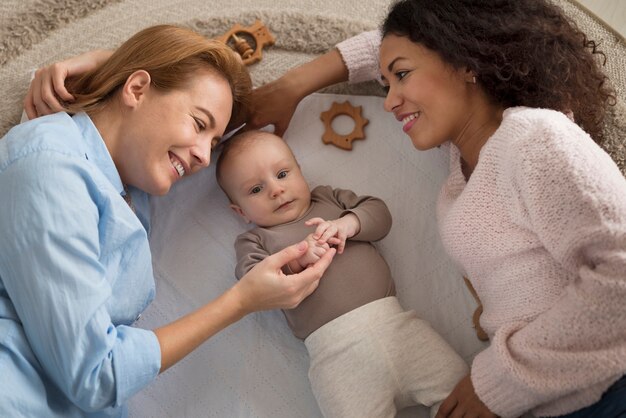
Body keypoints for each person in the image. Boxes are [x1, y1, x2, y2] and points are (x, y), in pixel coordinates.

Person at [22, 1, 626, 417]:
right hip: (531, 392)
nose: (388, 100)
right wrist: (295, 83)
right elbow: (392, 46)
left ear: (467, 60)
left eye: (400, 78)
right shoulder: (462, 163)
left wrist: (497, 382)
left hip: (589, 390)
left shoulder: (531, 139)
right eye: (385, 81)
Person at [0, 24, 335, 417]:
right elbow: (95, 375)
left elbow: (241, 132)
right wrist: (240, 301)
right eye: (199, 124)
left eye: (212, 142)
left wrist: (106, 65)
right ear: (137, 90)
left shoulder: (128, 186)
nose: (205, 157)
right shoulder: (49, 167)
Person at [215, 129, 469, 418]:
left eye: (283, 174)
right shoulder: (254, 241)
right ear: (240, 212)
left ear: (300, 170)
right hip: (336, 357)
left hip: (399, 329)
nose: (276, 190)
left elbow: (379, 213)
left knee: (460, 388)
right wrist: (297, 261)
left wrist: (349, 224)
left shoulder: (328, 200)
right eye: (256, 190)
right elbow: (254, 284)